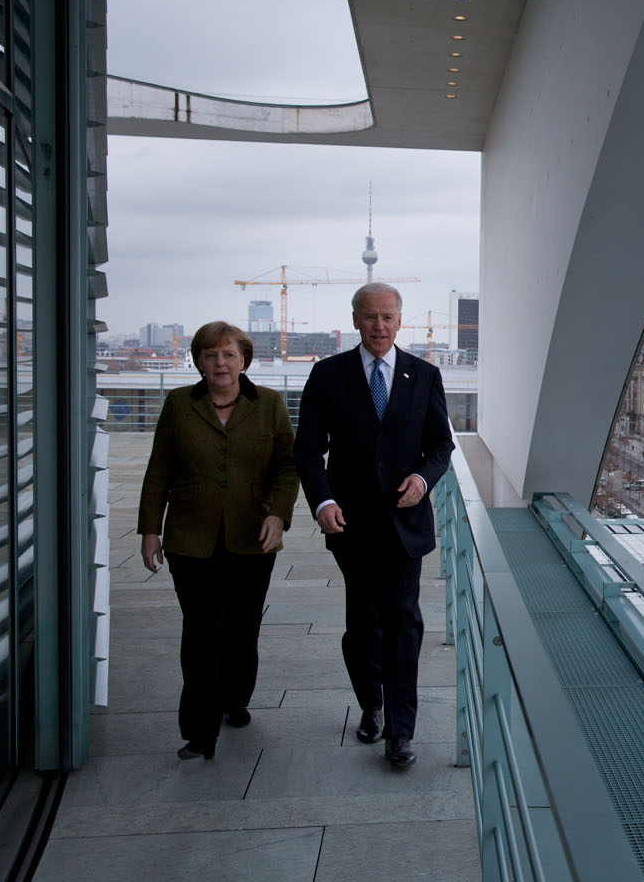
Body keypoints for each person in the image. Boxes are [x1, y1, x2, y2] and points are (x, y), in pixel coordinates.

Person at [294, 283, 455, 770]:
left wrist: (424, 481)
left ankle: (401, 733)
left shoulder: (424, 375)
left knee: (403, 623)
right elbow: (307, 449)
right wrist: (321, 500)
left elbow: (440, 447)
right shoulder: (328, 375)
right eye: (369, 317)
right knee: (362, 624)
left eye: (387, 317)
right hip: (351, 524)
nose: (379, 325)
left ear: (400, 320)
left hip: (405, 523)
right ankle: (372, 703)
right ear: (355, 320)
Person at [138, 322, 298, 760]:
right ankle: (198, 731)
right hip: (191, 540)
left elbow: (287, 467)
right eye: (210, 356)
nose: (220, 364)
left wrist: (278, 515)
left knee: (243, 629)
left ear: (244, 359)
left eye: (228, 355)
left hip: (253, 537)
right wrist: (150, 530)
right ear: (198, 362)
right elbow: (159, 471)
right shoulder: (178, 404)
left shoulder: (269, 404)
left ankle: (234, 697)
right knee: (202, 632)